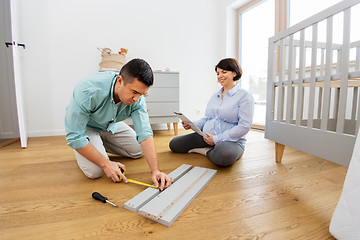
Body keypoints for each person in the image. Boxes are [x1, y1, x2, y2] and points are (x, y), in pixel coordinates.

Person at [65, 58, 172, 190]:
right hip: (88, 127)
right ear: (120, 81)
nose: (137, 99)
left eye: (142, 94)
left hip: (111, 125)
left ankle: (97, 146)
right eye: (134, 92)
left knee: (139, 150)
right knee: (95, 171)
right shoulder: (88, 90)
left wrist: (155, 171)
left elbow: (145, 133)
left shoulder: (138, 99)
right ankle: (89, 147)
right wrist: (105, 163)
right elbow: (74, 136)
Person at [169, 58, 254, 167]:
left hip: (231, 142)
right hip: (207, 137)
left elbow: (244, 126)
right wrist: (192, 124)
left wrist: (217, 139)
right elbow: (208, 118)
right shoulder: (215, 96)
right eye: (218, 73)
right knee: (174, 144)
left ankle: (206, 151)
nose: (220, 76)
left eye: (224, 72)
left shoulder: (245, 96)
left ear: (234, 73)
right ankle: (211, 147)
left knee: (224, 155)